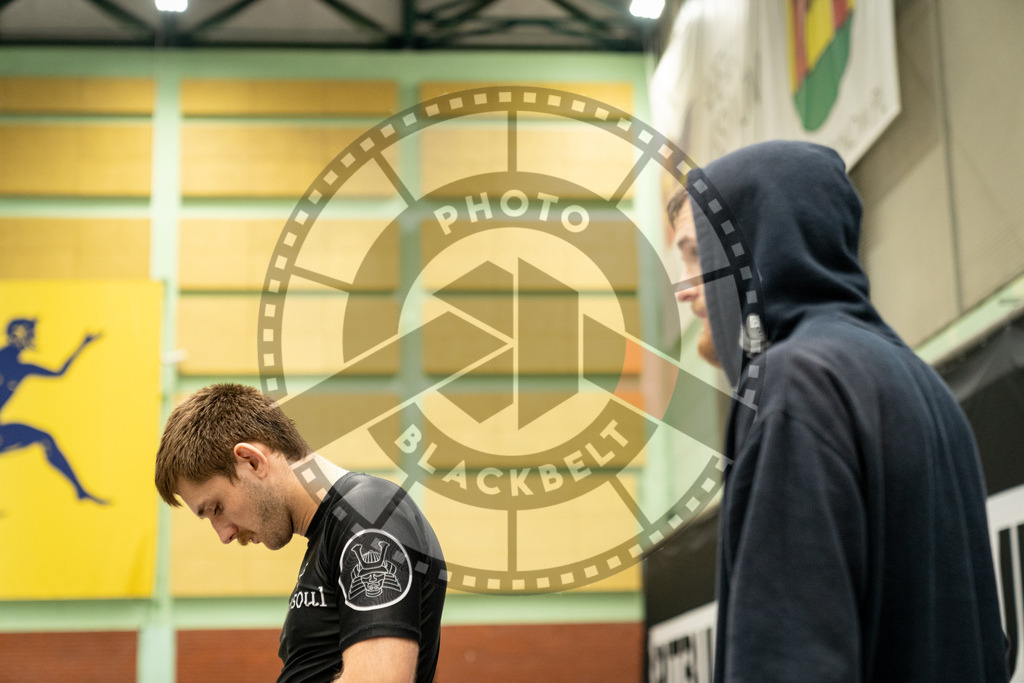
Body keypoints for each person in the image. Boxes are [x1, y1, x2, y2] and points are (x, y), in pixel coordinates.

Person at [668, 140, 1008, 681]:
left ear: (753, 243)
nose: (683, 289)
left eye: (694, 252)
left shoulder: (793, 384)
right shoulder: (923, 386)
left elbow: (788, 663)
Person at [155, 383, 447, 683]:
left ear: (253, 461)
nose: (224, 535)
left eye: (216, 508)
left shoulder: (370, 515)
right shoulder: (333, 532)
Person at [0, 317, 107, 504]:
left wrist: (82, 345)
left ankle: (80, 491)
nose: (33, 336)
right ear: (15, 335)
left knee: (45, 438)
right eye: (28, 332)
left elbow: (59, 372)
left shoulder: (22, 368)